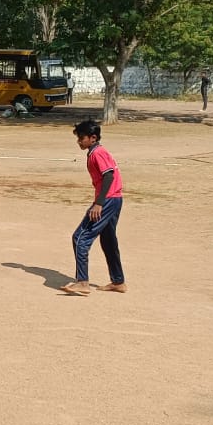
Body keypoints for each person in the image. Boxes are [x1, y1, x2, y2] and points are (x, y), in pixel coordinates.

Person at [62, 120, 126, 296]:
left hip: (107, 201)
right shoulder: (95, 152)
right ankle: (118, 281)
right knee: (108, 240)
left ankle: (82, 282)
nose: (79, 142)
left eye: (81, 138)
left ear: (93, 138)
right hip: (114, 199)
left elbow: (108, 176)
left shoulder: (98, 153)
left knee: (80, 237)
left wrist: (98, 203)